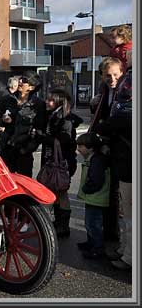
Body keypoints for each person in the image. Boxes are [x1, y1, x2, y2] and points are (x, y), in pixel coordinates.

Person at [91, 56, 132, 269]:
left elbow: (117, 120)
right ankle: (116, 242)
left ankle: (123, 248)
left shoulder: (127, 93)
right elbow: (102, 115)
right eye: (108, 76)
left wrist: (100, 132)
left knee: (126, 204)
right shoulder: (106, 92)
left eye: (116, 75)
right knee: (114, 197)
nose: (113, 79)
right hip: (113, 150)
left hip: (123, 151)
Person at [39, 88, 82, 237]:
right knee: (56, 191)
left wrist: (42, 137)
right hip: (56, 160)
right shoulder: (54, 115)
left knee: (62, 192)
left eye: (50, 99)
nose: (47, 101)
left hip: (63, 161)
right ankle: (59, 222)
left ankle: (63, 226)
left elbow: (63, 140)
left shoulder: (66, 119)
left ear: (58, 102)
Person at [0, 72, 46, 178]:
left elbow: (39, 130)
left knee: (24, 184)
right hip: (7, 149)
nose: (20, 82)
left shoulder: (38, 105)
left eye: (24, 81)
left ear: (31, 87)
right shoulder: (8, 99)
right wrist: (4, 121)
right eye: (21, 78)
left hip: (23, 153)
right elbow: (0, 119)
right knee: (5, 181)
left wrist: (27, 149)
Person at [76, 133, 111, 259]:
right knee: (90, 222)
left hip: (96, 197)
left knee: (93, 223)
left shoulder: (96, 160)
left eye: (81, 146)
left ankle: (97, 248)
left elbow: (96, 180)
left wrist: (87, 189)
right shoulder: (94, 158)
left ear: (90, 148)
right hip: (93, 197)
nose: (78, 148)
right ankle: (91, 243)